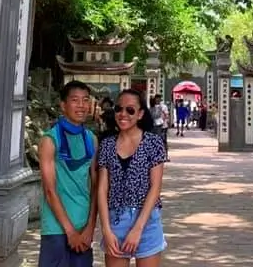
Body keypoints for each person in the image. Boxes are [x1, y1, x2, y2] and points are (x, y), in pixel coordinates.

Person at [97, 89, 167, 266]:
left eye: (130, 110)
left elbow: (155, 187)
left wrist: (138, 228)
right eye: (119, 109)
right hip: (115, 221)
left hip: (147, 221)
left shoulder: (153, 142)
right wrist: (106, 229)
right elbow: (102, 189)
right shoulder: (106, 144)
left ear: (141, 114)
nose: (123, 114)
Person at [38, 80, 98, 267]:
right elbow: (50, 190)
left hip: (83, 228)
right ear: (63, 105)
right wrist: (70, 231)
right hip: (56, 229)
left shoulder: (91, 139)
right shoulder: (49, 140)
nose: (81, 106)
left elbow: (96, 187)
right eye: (75, 100)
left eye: (85, 100)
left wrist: (90, 228)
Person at [150, 95, 169, 159]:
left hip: (163, 126)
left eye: (159, 99)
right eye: (156, 99)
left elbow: (166, 115)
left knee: (163, 141)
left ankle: (165, 156)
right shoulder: (151, 107)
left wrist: (164, 122)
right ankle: (156, 155)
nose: (157, 100)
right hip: (154, 126)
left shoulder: (163, 107)